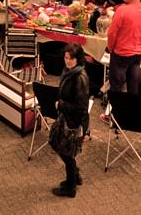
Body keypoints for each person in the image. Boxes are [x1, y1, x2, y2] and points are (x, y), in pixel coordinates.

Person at [51, 43, 90, 198]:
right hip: (67, 117)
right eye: (66, 57)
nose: (68, 61)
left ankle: (70, 187)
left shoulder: (79, 77)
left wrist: (61, 104)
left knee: (66, 152)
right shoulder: (69, 72)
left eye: (71, 58)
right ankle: (75, 176)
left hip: (74, 121)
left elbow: (81, 107)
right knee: (60, 146)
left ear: (78, 59)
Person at [106, 0, 141, 95]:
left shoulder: (122, 10)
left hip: (121, 53)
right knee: (133, 84)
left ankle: (116, 106)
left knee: (116, 85)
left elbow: (112, 33)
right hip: (137, 53)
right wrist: (139, 42)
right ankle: (132, 105)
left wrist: (110, 47)